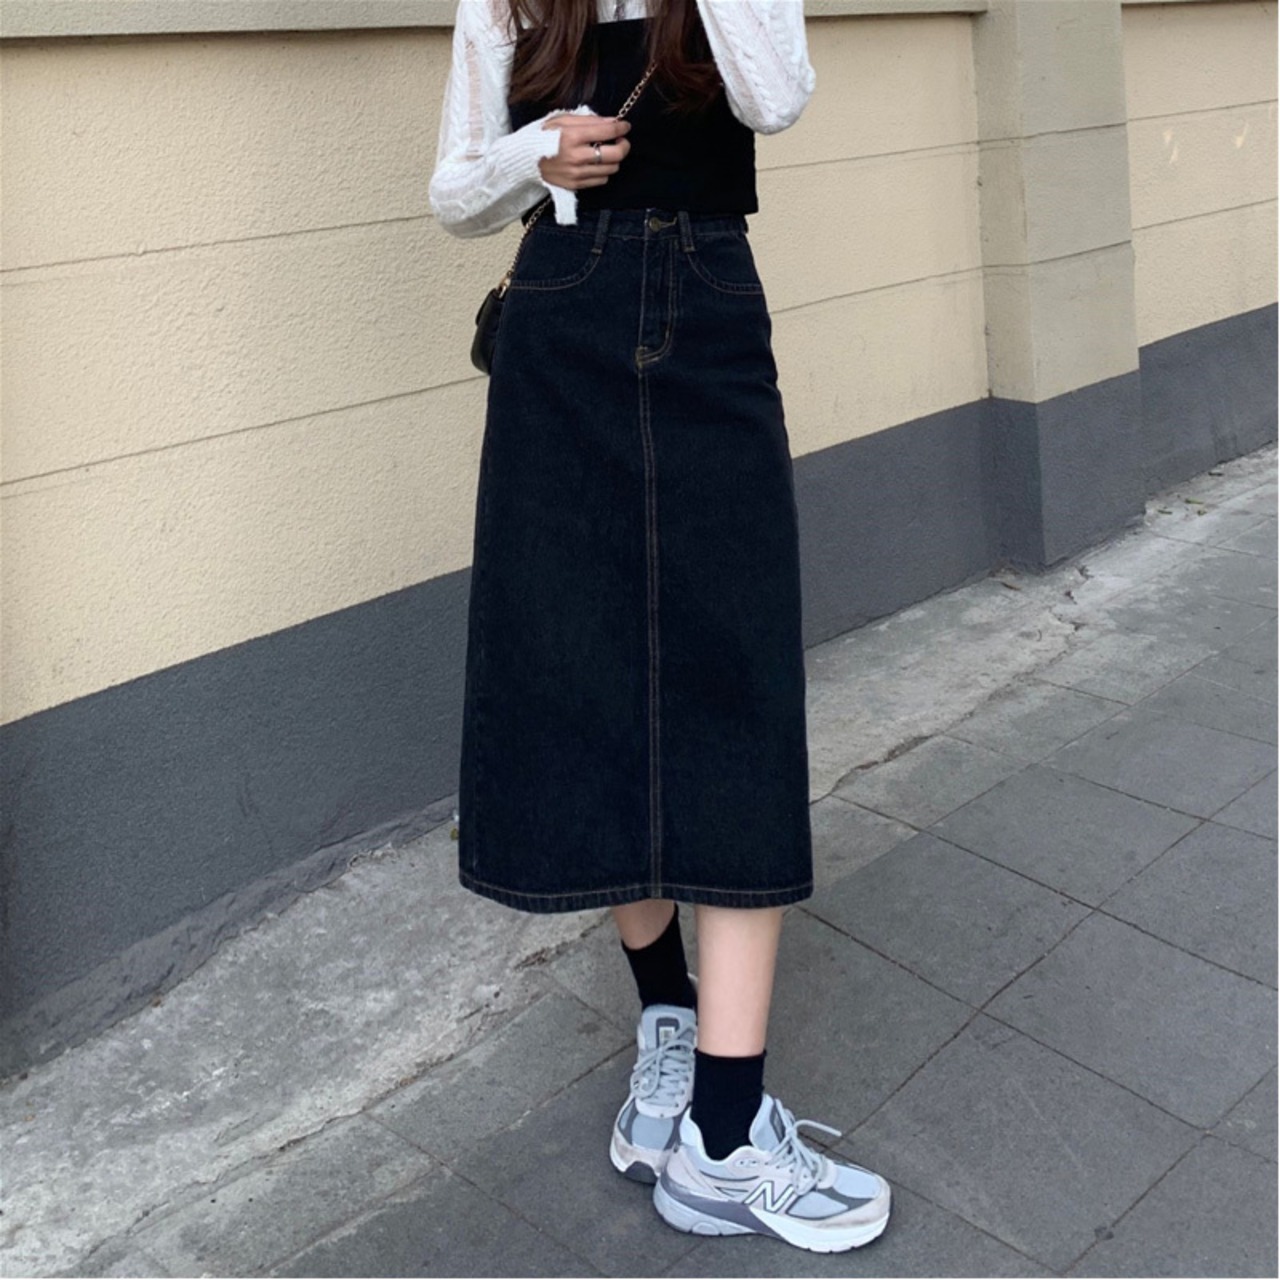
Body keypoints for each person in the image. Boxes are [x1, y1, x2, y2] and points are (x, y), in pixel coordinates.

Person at [429, 0, 891, 1252]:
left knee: (735, 677)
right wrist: (534, 155)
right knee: (583, 670)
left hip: (709, 298)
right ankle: (668, 1021)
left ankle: (723, 1137)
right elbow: (452, 191)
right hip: (559, 314)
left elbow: (773, 95)